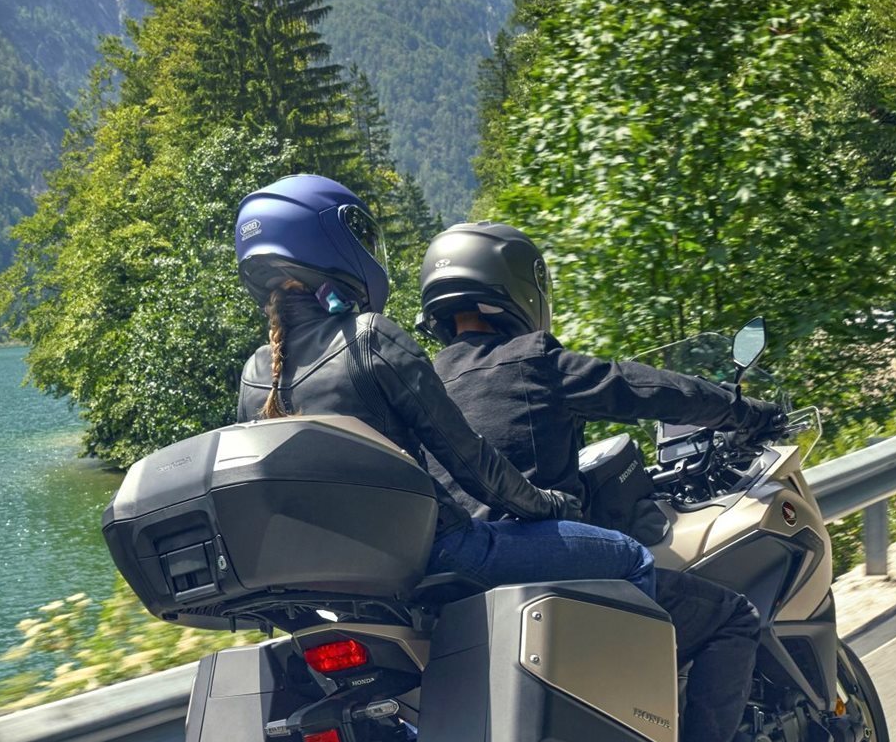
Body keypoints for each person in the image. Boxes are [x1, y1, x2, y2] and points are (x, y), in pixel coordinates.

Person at [418, 221, 791, 742]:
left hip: (447, 578)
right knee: (730, 618)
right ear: (520, 287)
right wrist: (742, 412)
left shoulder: (422, 384)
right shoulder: (534, 361)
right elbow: (643, 388)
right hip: (538, 561)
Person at [233, 175, 655, 599]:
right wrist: (550, 504)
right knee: (632, 558)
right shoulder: (369, 337)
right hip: (440, 551)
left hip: (347, 581)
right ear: (326, 239)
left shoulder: (255, 373)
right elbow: (469, 460)